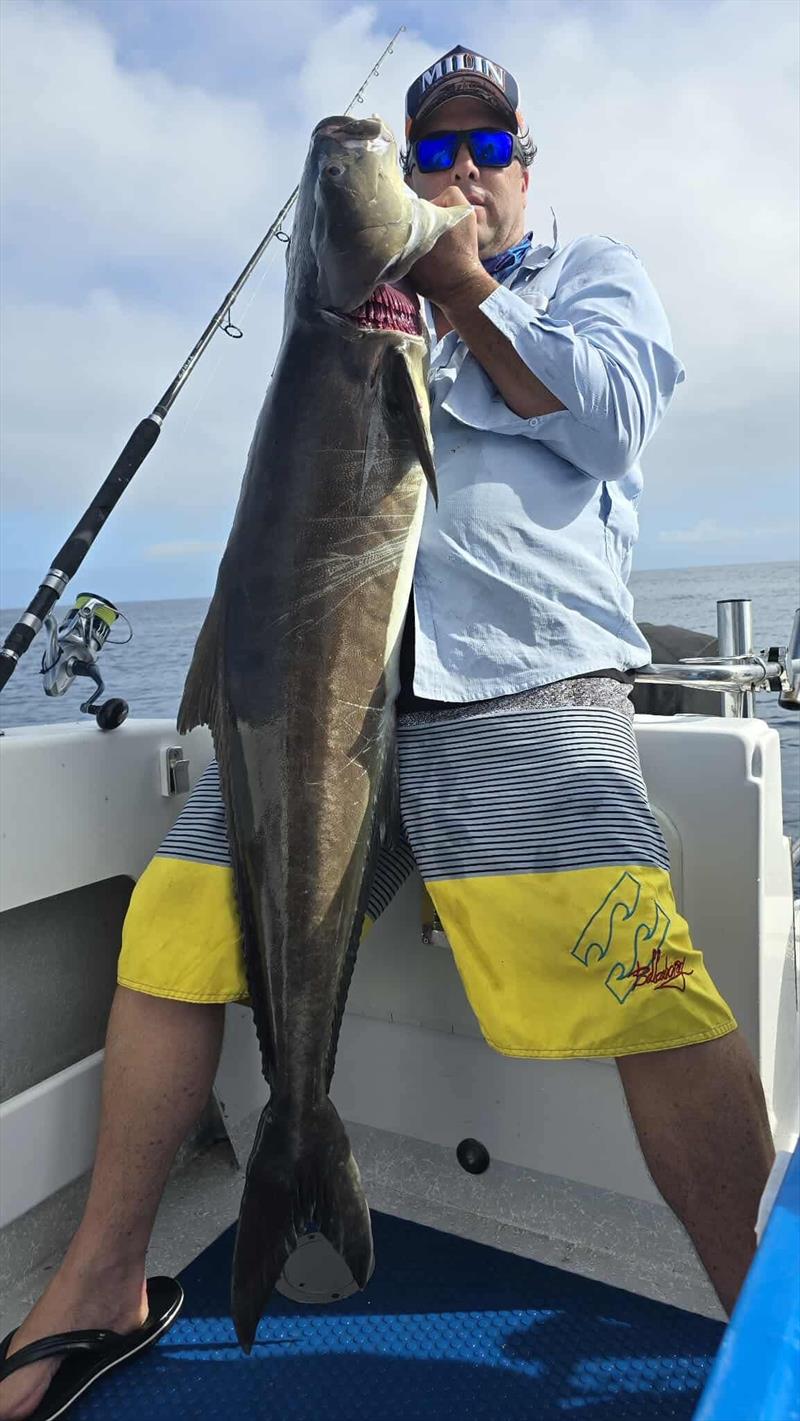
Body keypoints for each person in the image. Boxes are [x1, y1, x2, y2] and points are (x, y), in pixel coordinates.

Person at [0, 43, 774, 1421]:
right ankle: (99, 1283)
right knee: (170, 934)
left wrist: (463, 287)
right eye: (435, 152)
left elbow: (607, 418)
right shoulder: (354, 321)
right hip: (314, 706)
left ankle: (768, 1329)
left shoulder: (591, 277)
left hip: (519, 697)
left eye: (490, 147)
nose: (463, 169)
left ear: (528, 165)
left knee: (648, 986)